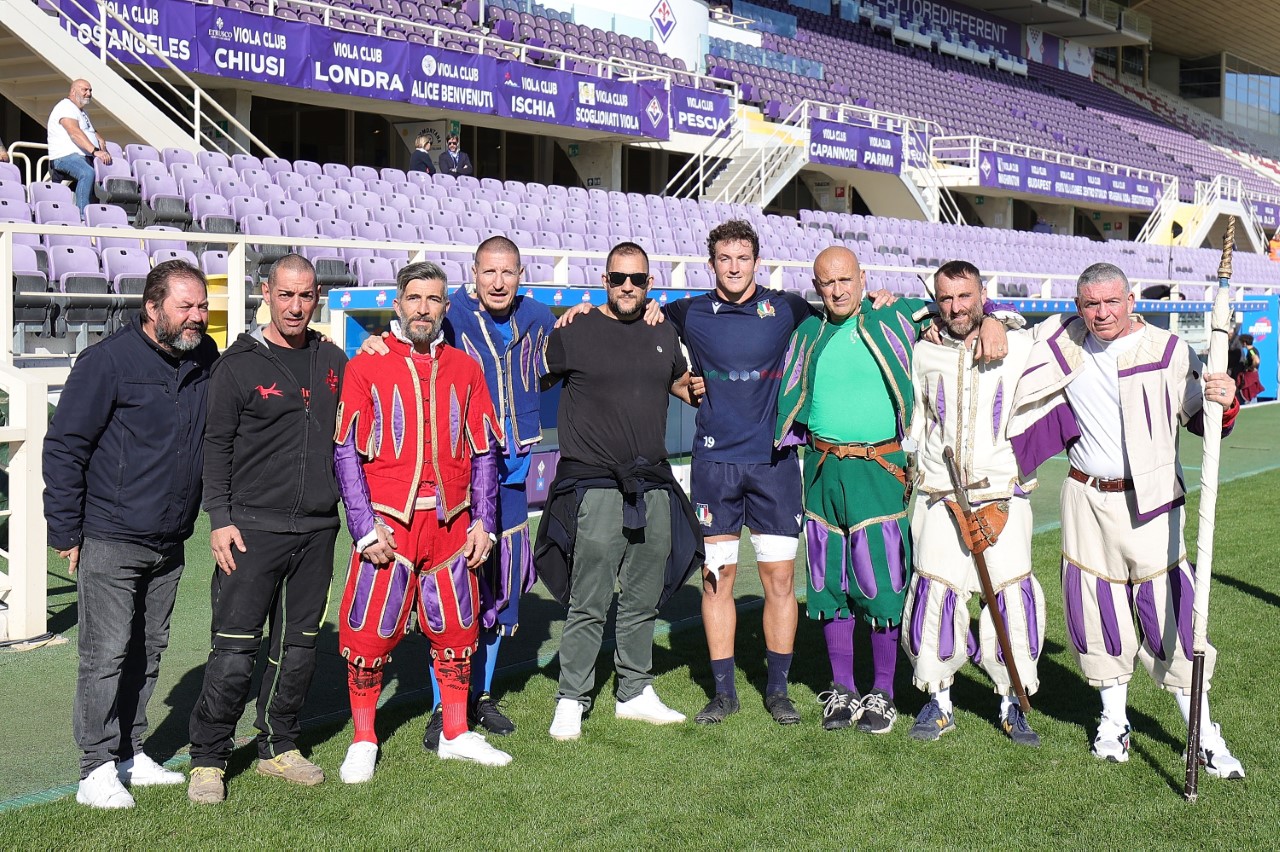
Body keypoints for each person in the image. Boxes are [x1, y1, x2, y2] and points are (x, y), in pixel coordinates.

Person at [1008, 262, 1244, 778]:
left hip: (1153, 501)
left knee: (1172, 618)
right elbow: (994, 324)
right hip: (1085, 499)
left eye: (1111, 302)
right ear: (1078, 306)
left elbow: (1203, 421)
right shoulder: (1063, 341)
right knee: (1096, 612)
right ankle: (1113, 722)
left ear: (1131, 299)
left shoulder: (1167, 350)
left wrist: (1224, 402)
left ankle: (1203, 735)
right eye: (1090, 304)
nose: (1101, 313)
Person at [776, 247, 1012, 735]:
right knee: (828, 583)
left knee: (881, 585)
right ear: (816, 286)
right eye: (826, 283)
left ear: (863, 277)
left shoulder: (896, 316)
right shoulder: (806, 332)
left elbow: (962, 311)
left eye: (845, 279)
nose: (837, 290)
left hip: (877, 468)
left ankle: (883, 692)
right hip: (821, 470)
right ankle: (842, 688)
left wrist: (993, 321)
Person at [43, 259, 217, 809]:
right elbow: (65, 447)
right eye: (185, 306)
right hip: (112, 534)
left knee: (149, 649)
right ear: (152, 307)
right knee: (106, 653)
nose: (197, 316)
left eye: (202, 305)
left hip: (171, 537)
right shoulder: (107, 362)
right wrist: (66, 529)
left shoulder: (205, 356)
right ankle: (94, 767)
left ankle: (128, 751)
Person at [334, 261, 510, 784]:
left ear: (445, 308)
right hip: (389, 524)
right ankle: (364, 737)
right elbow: (345, 451)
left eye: (433, 300)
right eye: (414, 298)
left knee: (457, 631)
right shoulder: (366, 365)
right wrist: (364, 527)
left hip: (454, 526)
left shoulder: (465, 367)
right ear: (397, 303)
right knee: (368, 632)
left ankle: (456, 732)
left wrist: (485, 521)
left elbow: (484, 452)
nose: (423, 309)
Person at [185, 256, 348, 804]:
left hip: (318, 529)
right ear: (266, 293)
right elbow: (216, 444)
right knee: (234, 650)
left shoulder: (333, 358)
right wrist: (220, 519)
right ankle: (208, 757)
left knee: (298, 648)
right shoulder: (238, 364)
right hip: (251, 530)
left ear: (318, 295)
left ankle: (279, 744)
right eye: (286, 295)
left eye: (305, 296)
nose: (296, 306)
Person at [534, 241, 701, 742]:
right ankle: (571, 696)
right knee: (589, 599)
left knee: (643, 597)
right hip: (595, 484)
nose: (628, 287)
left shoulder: (662, 330)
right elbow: (526, 372)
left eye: (638, 279)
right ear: (602, 281)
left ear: (650, 284)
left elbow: (680, 385)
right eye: (617, 278)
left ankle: (634, 690)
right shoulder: (575, 329)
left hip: (652, 481)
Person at [663, 219, 817, 727]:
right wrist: (678, 382)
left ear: (757, 262)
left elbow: (843, 316)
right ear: (712, 265)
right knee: (717, 579)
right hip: (714, 466)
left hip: (774, 465)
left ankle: (778, 690)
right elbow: (633, 331)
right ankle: (724, 692)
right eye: (724, 259)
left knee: (779, 579)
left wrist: (884, 298)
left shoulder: (788, 308)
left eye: (743, 258)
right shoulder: (689, 312)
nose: (734, 268)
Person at [901, 261, 1044, 746]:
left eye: (966, 297)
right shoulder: (923, 351)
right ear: (935, 300)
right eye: (946, 298)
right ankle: (938, 702)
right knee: (935, 592)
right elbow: (919, 423)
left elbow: (1069, 329)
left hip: (1002, 495)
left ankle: (1012, 699)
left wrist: (998, 319)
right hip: (941, 496)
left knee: (1009, 597)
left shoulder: (1016, 345)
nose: (956, 307)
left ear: (983, 293)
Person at [47, 79, 111, 216]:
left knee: (111, 173)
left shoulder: (82, 112)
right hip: (64, 157)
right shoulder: (65, 106)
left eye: (90, 90)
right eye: (85, 90)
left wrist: (98, 137)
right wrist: (95, 151)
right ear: (73, 91)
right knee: (87, 173)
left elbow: (88, 130)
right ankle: (82, 216)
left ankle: (105, 215)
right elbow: (74, 133)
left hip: (83, 157)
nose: (88, 93)